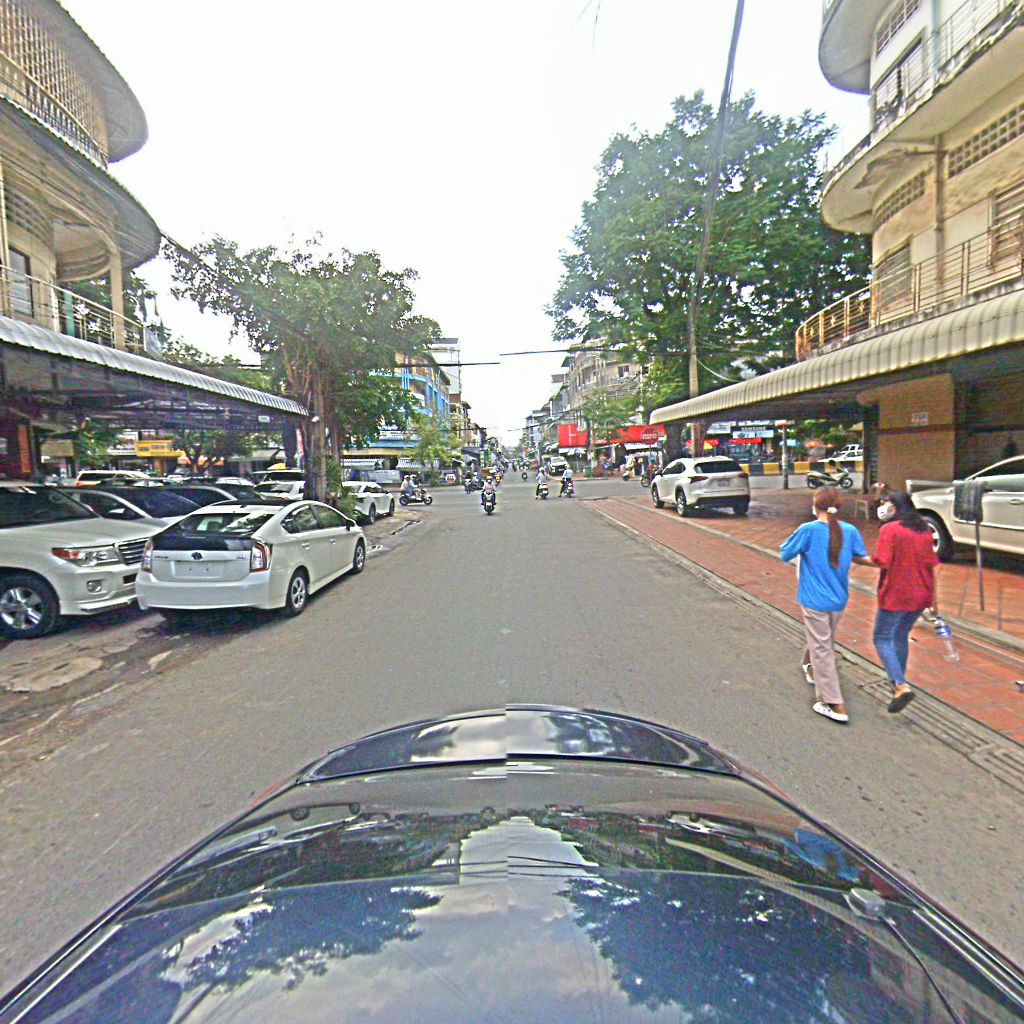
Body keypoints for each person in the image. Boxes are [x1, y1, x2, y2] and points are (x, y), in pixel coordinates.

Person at [780, 488, 875, 724]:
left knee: (822, 647)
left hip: (814, 600)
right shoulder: (850, 530)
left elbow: (785, 553)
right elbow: (859, 556)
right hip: (839, 599)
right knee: (823, 638)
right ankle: (809, 666)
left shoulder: (808, 530)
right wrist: (883, 563)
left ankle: (833, 703)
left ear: (816, 506)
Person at [871, 491, 940, 713]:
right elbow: (932, 565)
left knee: (882, 637)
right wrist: (934, 599)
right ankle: (898, 681)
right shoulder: (923, 530)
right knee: (900, 634)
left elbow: (882, 560)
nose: (883, 507)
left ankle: (900, 685)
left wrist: (860, 559)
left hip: (896, 593)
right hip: (921, 593)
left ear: (896, 506)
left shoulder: (890, 530)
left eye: (886, 503)